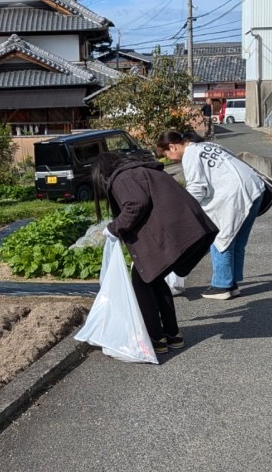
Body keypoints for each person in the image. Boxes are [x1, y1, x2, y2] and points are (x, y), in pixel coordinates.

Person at [92, 151, 217, 354]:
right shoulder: (143, 170)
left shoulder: (122, 177)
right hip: (184, 230)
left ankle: (155, 339)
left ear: (102, 173)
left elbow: (135, 204)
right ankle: (172, 335)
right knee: (155, 279)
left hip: (172, 234)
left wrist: (114, 228)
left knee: (142, 283)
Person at [156, 130, 265, 299]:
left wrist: (180, 209)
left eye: (167, 154)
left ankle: (222, 286)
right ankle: (232, 282)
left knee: (220, 238)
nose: (170, 159)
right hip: (255, 188)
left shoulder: (190, 155)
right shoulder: (206, 145)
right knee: (237, 239)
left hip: (234, 194)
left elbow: (197, 188)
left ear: (172, 147)